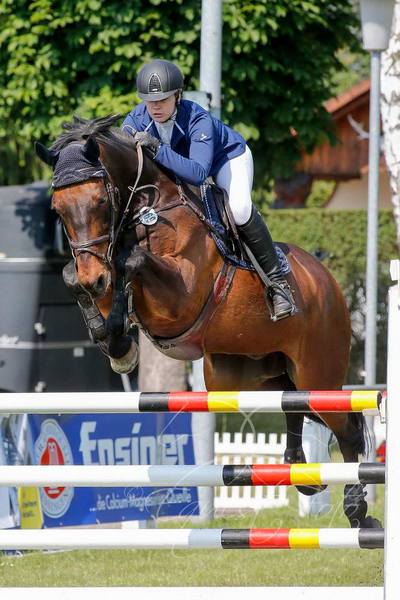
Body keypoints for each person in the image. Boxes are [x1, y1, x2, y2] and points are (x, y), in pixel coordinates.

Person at [122, 59, 296, 321]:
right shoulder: (136, 119)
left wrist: (156, 148)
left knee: (239, 210)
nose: (155, 107)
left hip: (225, 159)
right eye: (150, 101)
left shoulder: (197, 118)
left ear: (177, 95)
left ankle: (278, 283)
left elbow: (198, 173)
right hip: (180, 167)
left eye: (163, 100)